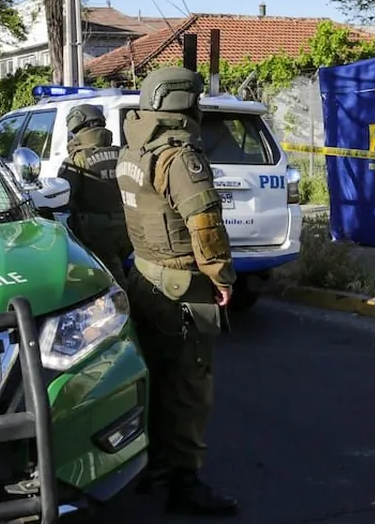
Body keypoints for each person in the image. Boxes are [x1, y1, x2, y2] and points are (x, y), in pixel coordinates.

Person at [116, 65, 239, 517]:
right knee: (189, 387)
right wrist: (222, 277)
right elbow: (204, 224)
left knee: (153, 377)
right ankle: (184, 482)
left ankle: (152, 465)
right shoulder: (178, 156)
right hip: (182, 286)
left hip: (144, 277)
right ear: (185, 103)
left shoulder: (133, 149)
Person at [58, 104, 132, 286]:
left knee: (112, 284)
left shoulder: (76, 160)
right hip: (132, 228)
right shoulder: (123, 153)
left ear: (75, 127)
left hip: (96, 233)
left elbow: (65, 198)